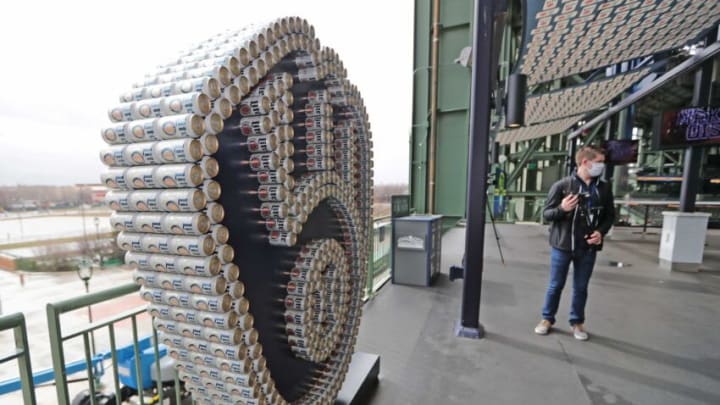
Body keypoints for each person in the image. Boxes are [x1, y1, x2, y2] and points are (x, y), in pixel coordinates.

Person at [534, 146, 615, 341]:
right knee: (555, 285)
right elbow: (546, 214)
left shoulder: (603, 188)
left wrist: (600, 232)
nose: (601, 166)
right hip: (562, 246)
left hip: (588, 248)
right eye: (599, 162)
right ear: (585, 162)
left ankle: (577, 322)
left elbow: (610, 215)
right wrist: (562, 208)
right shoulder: (562, 186)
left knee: (581, 287)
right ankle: (547, 319)